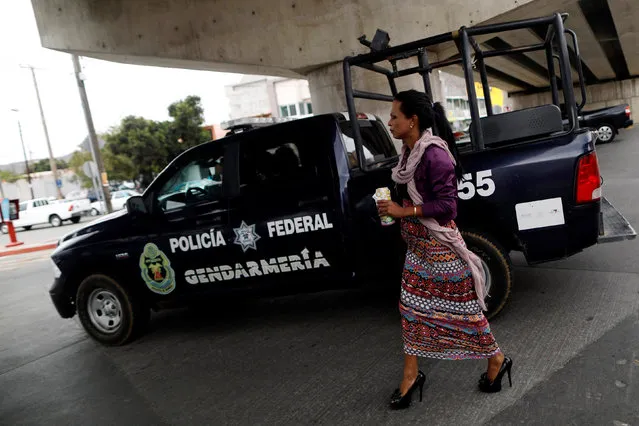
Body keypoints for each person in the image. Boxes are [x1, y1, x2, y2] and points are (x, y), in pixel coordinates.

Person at [376, 90, 513, 410]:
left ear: (413, 121)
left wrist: (403, 212)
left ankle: (496, 360)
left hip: (440, 249)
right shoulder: (408, 154)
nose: (390, 121)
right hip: (417, 249)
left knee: (466, 311)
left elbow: (447, 208)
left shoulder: (434, 155)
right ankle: (411, 374)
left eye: (395, 116)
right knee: (409, 309)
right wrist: (391, 209)